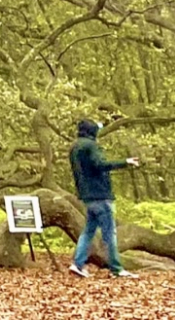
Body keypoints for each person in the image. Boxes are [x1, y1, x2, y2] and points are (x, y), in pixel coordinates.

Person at [68, 119, 139, 278]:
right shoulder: (90, 146)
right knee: (109, 234)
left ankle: (78, 264)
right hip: (100, 195)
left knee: (88, 232)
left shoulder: (74, 147)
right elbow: (100, 164)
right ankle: (116, 268)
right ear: (92, 132)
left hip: (87, 196)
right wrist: (125, 162)